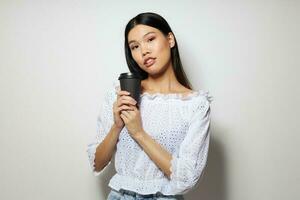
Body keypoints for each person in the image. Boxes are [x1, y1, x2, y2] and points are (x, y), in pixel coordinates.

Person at [87, 12, 213, 200]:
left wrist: (139, 133)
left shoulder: (195, 106)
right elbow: (97, 163)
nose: (144, 51)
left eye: (150, 39)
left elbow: (187, 177)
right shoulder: (120, 95)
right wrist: (117, 126)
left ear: (170, 39)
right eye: (135, 46)